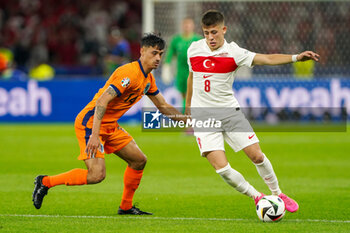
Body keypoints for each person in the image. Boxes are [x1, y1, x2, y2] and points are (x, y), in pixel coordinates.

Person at [32, 33, 186, 215]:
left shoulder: (148, 79)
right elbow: (101, 102)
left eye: (161, 54)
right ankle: (45, 182)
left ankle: (126, 207)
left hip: (110, 125)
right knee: (96, 175)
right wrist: (95, 135)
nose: (158, 58)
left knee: (138, 160)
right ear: (142, 51)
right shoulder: (128, 74)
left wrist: (188, 120)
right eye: (154, 53)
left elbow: (163, 105)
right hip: (90, 123)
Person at [185, 10, 320, 213]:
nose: (210, 37)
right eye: (206, 33)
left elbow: (267, 58)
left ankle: (277, 193)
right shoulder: (194, 49)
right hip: (204, 117)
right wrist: (188, 109)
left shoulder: (234, 52)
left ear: (224, 30)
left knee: (257, 156)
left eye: (214, 32)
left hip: (229, 113)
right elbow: (192, 77)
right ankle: (257, 197)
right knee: (221, 168)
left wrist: (296, 57)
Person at [162, 18, 201, 108]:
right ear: (182, 26)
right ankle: (186, 116)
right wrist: (166, 66)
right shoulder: (176, 40)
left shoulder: (198, 39)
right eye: (185, 24)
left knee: (190, 95)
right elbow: (170, 54)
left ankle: (187, 116)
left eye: (189, 24)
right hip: (180, 72)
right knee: (183, 95)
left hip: (193, 72)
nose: (187, 26)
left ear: (193, 26)